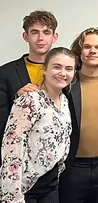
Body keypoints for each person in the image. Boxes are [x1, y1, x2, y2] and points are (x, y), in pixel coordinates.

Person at [1, 47, 75, 202]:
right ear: (45, 69)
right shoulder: (29, 100)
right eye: (57, 67)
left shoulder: (65, 102)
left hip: (51, 185)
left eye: (69, 69)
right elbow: (11, 149)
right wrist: (13, 197)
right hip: (26, 188)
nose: (63, 73)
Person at [59, 27, 98, 203]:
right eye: (87, 47)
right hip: (74, 167)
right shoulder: (67, 82)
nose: (92, 51)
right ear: (80, 51)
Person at [0, 10, 58, 146]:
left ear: (54, 37)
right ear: (25, 36)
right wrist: (17, 100)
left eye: (46, 32)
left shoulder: (65, 71)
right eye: (34, 32)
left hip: (56, 154)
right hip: (19, 151)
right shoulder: (5, 72)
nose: (41, 38)